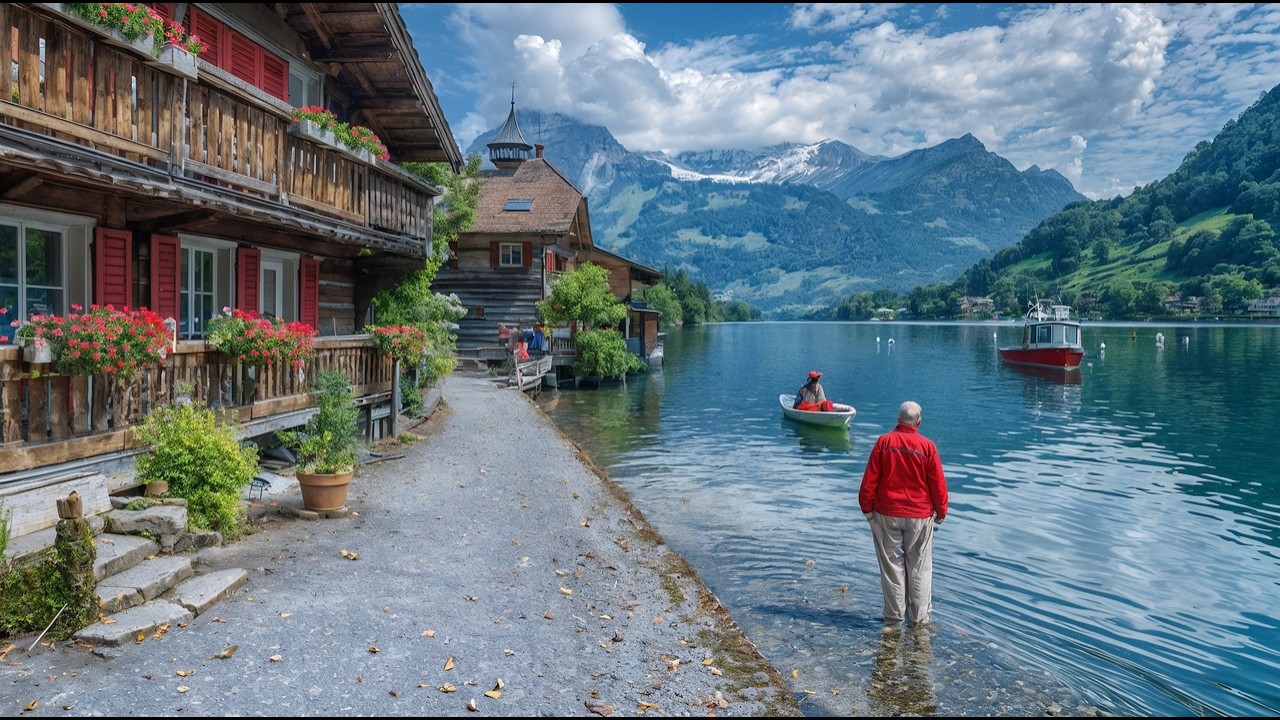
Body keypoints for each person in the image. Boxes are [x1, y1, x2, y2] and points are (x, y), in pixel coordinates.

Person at [858, 400, 948, 625]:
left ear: (898, 420)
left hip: (887, 514)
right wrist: (941, 511)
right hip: (919, 516)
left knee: (892, 568)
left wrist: (867, 510)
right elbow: (937, 484)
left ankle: (893, 618)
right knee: (919, 567)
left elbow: (869, 481)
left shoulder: (884, 443)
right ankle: (918, 620)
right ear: (919, 422)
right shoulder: (927, 447)